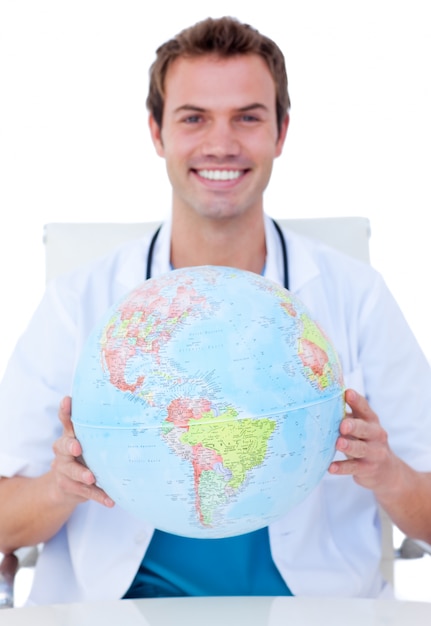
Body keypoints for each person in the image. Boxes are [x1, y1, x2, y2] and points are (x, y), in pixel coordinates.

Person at [0, 16, 430, 605]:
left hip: (315, 614)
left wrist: (389, 474)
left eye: (248, 117)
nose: (221, 144)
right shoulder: (79, 303)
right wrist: (60, 487)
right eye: (193, 117)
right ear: (156, 132)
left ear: (281, 133)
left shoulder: (356, 296)